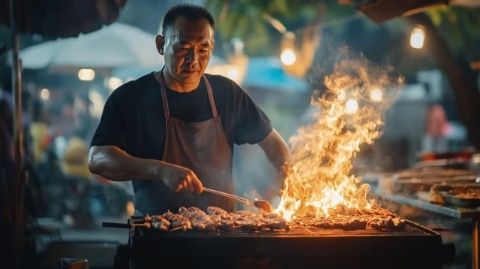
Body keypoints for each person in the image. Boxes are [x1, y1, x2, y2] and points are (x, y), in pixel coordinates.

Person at [88, 4, 290, 215]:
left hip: (222, 234)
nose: (194, 60)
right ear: (161, 44)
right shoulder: (130, 97)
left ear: (212, 49)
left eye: (203, 49)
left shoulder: (227, 93)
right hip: (157, 233)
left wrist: (284, 187)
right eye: (183, 48)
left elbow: (274, 145)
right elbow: (97, 159)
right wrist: (160, 170)